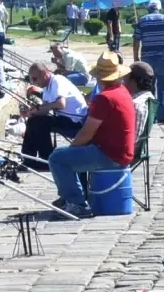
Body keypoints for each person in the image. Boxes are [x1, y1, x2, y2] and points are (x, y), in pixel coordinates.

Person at [47, 52, 136, 219]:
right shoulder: (122, 91)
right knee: (70, 155)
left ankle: (77, 203)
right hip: (123, 151)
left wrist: (73, 147)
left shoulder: (104, 98)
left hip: (110, 154)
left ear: (99, 77)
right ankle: (71, 197)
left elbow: (87, 132)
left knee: (57, 158)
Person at [19, 61, 90, 169]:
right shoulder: (47, 87)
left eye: (34, 79)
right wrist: (30, 112)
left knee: (40, 123)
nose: (34, 83)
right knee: (33, 120)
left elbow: (61, 104)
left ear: (44, 74)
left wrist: (39, 109)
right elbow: (45, 109)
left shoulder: (57, 81)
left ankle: (46, 160)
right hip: (64, 117)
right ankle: (29, 159)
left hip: (75, 121)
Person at [124, 61, 158, 139]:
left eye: (126, 78)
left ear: (134, 81)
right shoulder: (150, 97)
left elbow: (134, 139)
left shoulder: (135, 104)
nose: (123, 82)